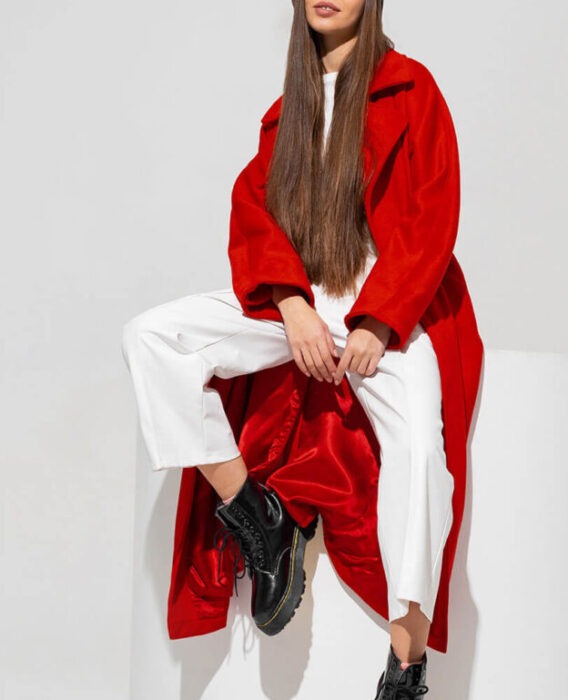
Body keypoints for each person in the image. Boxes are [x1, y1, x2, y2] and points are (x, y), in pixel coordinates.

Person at [121, 0, 484, 697]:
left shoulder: (411, 88)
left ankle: (406, 667)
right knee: (153, 338)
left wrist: (381, 320)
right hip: (301, 304)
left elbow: (432, 214)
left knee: (419, 452)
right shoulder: (287, 111)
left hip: (387, 306)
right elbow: (253, 209)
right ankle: (255, 513)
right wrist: (291, 305)